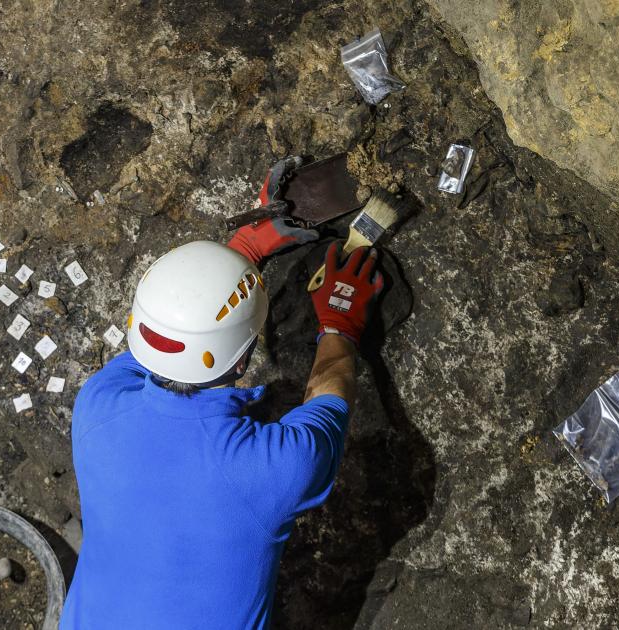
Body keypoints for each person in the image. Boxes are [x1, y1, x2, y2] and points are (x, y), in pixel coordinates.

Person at [60, 161, 385, 629]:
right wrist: (340, 320)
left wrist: (242, 251)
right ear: (242, 360)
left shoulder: (97, 406)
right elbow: (330, 388)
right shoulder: (272, 467)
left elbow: (164, 342)